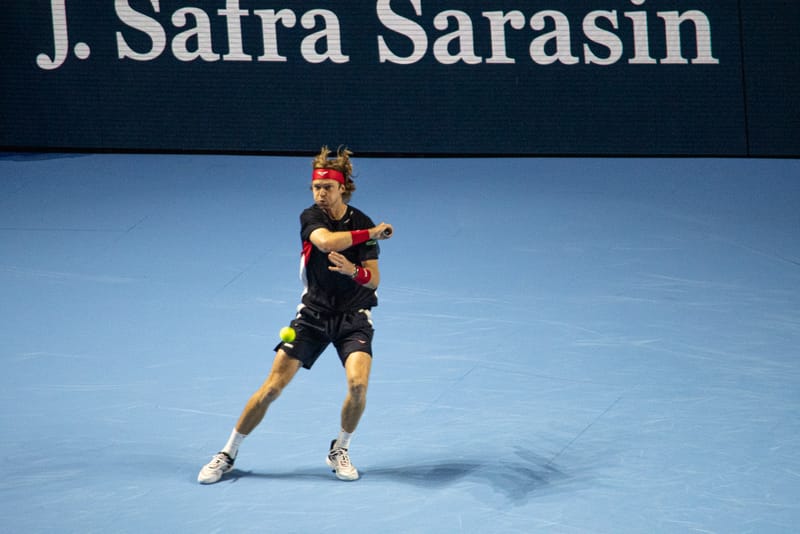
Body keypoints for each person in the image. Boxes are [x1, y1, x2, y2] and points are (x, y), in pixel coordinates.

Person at [198, 146, 393, 484]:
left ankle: (340, 448)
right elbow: (327, 242)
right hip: (313, 315)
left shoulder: (360, 221)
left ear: (342, 187)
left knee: (359, 385)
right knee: (272, 388)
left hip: (353, 317)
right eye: (316, 187)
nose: (320, 193)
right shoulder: (311, 218)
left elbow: (373, 278)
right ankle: (227, 453)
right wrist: (373, 233)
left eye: (327, 187)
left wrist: (353, 272)